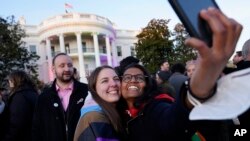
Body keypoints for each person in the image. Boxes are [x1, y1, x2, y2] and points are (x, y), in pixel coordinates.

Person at [117, 7, 242, 141]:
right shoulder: (117, 112)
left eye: (139, 77)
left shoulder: (155, 107)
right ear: (120, 83)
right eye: (127, 77)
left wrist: (197, 90)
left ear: (147, 84)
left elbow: (173, 121)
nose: (133, 80)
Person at [32, 53, 89, 141]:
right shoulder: (44, 97)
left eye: (69, 65)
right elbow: (37, 128)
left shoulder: (86, 91)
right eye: (62, 66)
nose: (67, 69)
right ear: (53, 70)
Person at [74, 66, 124, 141]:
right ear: (94, 88)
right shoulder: (95, 117)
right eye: (105, 81)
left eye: (116, 79)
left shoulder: (109, 111)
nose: (113, 84)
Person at [0, 70, 38, 141]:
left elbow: (16, 123)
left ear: (15, 80)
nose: (9, 83)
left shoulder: (19, 96)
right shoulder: (33, 93)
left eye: (10, 80)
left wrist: (7, 138)